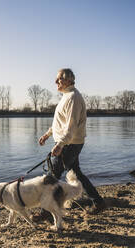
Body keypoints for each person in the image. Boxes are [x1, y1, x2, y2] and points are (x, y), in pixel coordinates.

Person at [36, 68, 106, 218]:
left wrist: (60, 144)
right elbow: (60, 123)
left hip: (69, 144)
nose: (56, 82)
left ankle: (45, 212)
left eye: (59, 79)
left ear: (68, 80)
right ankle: (98, 202)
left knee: (52, 177)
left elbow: (71, 126)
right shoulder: (66, 96)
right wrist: (47, 134)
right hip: (69, 142)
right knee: (77, 173)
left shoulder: (73, 97)